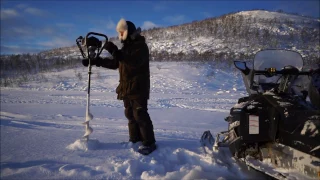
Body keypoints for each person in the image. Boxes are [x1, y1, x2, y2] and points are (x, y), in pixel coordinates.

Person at [82, 18, 156, 155]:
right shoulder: (126, 49)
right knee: (130, 114)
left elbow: (132, 62)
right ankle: (134, 139)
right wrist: (96, 61)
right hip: (126, 88)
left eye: (122, 33)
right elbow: (116, 63)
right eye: (119, 33)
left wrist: (115, 51)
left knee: (140, 114)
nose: (120, 36)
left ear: (129, 32)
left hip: (138, 88)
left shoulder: (141, 47)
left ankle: (149, 143)